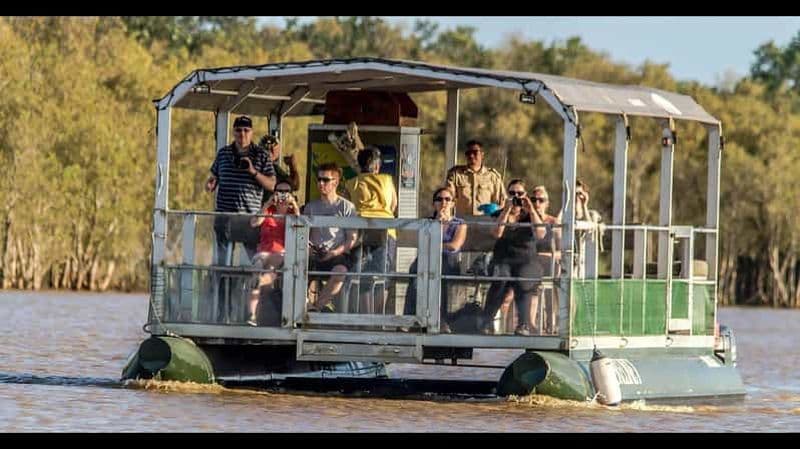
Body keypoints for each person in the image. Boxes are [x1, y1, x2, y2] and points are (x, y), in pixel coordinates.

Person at [481, 179, 550, 336]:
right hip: (503, 259)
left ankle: (523, 324)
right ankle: (486, 321)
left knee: (523, 279)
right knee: (501, 278)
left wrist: (530, 208)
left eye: (520, 193)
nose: (516, 197)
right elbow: (496, 233)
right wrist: (506, 210)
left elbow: (540, 234)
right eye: (512, 193)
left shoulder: (531, 215)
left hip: (527, 260)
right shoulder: (499, 214)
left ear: (525, 195)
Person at [205, 115, 277, 262]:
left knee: (252, 261)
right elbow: (214, 176)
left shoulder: (261, 155)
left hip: (250, 218)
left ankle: (252, 284)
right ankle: (221, 284)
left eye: (246, 130)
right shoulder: (223, 153)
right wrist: (211, 183)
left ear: (251, 132)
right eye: (238, 130)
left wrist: (253, 172)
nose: (242, 134)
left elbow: (272, 184)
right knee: (222, 261)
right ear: (233, 132)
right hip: (225, 216)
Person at [402, 187, 467, 333]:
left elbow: (454, 245)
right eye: (439, 199)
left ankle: (440, 319)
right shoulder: (427, 222)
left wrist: (436, 242)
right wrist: (437, 223)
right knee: (416, 273)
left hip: (448, 261)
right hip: (427, 260)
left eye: (447, 199)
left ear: (453, 203)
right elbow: (421, 243)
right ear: (434, 204)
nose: (443, 202)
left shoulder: (460, 224)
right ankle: (411, 318)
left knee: (440, 274)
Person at [345, 146, 399, 313]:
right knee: (383, 277)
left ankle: (365, 319)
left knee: (361, 277)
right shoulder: (387, 180)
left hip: (359, 232)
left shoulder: (351, 183)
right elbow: (393, 205)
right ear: (376, 166)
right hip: (385, 231)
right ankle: (377, 318)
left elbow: (348, 207)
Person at [302, 163, 359, 313]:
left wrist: (334, 252)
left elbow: (351, 239)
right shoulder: (310, 207)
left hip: (336, 255)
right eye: (319, 179)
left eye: (325, 180)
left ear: (335, 182)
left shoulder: (347, 207)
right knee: (295, 266)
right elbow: (303, 235)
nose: (321, 183)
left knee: (340, 271)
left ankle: (316, 307)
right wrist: (308, 249)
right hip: (313, 254)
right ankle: (304, 305)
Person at [246, 181, 299, 326]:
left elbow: (301, 228)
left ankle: (259, 282)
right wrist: (267, 204)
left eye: (286, 191)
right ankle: (252, 315)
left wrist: (294, 206)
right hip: (263, 252)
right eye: (279, 191)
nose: (282, 195)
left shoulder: (291, 213)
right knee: (257, 266)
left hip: (282, 253)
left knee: (270, 268)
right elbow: (254, 222)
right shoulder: (268, 210)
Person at [530, 185, 562, 334]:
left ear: (547, 203)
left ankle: (551, 323)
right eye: (534, 200)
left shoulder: (553, 222)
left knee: (551, 282)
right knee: (531, 283)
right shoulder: (526, 221)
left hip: (549, 262)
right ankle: (530, 323)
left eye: (541, 200)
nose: (537, 203)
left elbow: (561, 250)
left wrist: (549, 256)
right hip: (531, 262)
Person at [445, 140, 507, 217]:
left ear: (482, 154)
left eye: (475, 152)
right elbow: (447, 198)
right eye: (468, 153)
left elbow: (501, 203)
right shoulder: (456, 174)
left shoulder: (493, 177)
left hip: (486, 222)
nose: (471, 156)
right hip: (461, 223)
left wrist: (494, 209)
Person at [259, 134, 300, 206]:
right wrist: (293, 166)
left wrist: (292, 166)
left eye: (271, 150)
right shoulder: (267, 167)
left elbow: (294, 185)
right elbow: (294, 185)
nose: (269, 152)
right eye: (267, 149)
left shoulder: (274, 168)